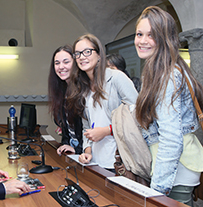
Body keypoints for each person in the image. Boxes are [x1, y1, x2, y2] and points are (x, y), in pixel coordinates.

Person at [134, 6, 203, 206]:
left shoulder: (167, 75)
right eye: (140, 34)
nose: (142, 41)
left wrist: (156, 193)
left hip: (175, 172)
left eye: (151, 35)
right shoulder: (162, 70)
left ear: (165, 38)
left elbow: (171, 140)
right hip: (176, 169)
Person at [66, 34, 138, 171]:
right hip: (96, 162)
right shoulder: (83, 87)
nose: (82, 57)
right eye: (77, 54)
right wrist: (87, 152)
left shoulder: (116, 78)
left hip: (120, 162)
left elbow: (138, 114)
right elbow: (87, 126)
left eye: (87, 52)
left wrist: (107, 131)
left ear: (99, 55)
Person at [48, 44, 83, 155]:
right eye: (57, 63)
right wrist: (65, 144)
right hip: (73, 148)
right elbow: (66, 127)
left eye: (66, 62)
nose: (61, 67)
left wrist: (78, 150)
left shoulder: (83, 89)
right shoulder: (62, 90)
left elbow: (87, 128)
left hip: (85, 151)